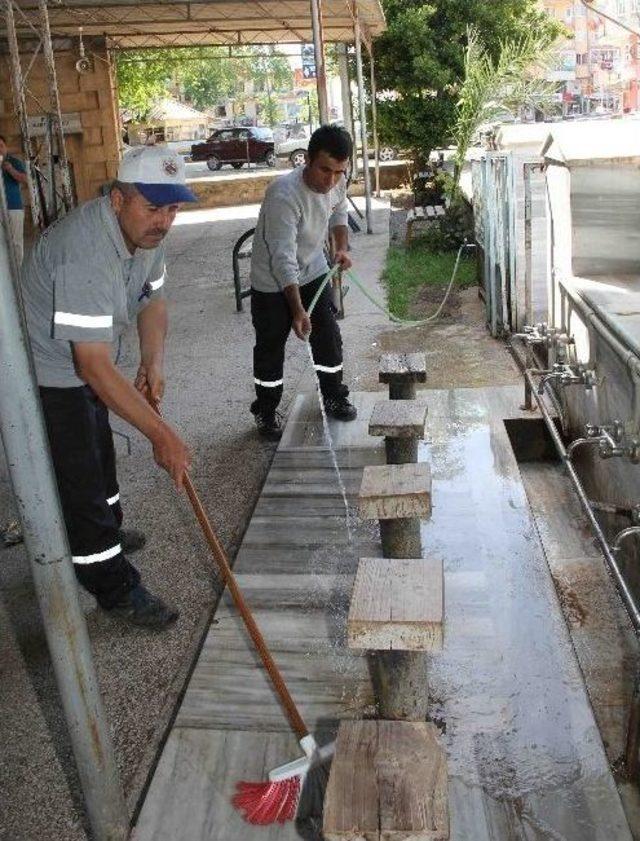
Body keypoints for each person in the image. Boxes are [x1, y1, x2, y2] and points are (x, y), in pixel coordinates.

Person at [21, 145, 196, 629]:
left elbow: (152, 302)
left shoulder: (147, 236)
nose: (163, 221)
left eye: (172, 209)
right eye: (152, 207)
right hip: (44, 370)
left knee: (101, 454)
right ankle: (112, 585)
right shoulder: (86, 251)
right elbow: (92, 365)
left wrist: (152, 362)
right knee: (80, 476)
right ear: (118, 200)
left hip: (84, 361)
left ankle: (111, 531)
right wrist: (161, 433)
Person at [249, 124, 358, 440]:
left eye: (339, 171)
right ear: (306, 160)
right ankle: (267, 411)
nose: (332, 180)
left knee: (328, 335)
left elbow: (338, 213)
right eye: (325, 170)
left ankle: (334, 394)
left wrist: (340, 248)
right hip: (271, 281)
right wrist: (297, 311)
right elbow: (282, 259)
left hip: (313, 270)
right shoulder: (283, 195)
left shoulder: (337, 181)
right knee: (270, 348)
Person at [0, 134, 27, 264]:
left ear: (6, 147)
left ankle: (18, 272)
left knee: (16, 242)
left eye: (1, 146)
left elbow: (25, 179)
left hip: (13, 208)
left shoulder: (14, 162)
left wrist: (10, 170)